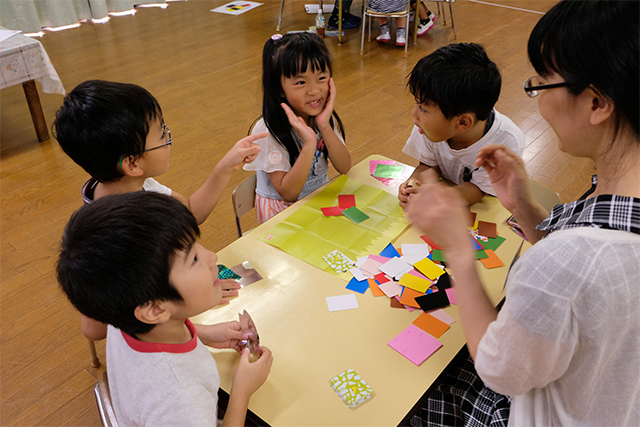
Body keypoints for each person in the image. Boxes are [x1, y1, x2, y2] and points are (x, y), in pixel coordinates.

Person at [406, 1, 639, 425]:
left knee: (408, 389)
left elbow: (498, 370)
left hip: (534, 408)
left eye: (542, 82)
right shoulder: (610, 199)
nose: (536, 97)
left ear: (597, 102)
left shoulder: (571, 260)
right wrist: (523, 207)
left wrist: (458, 249)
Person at [54, 80, 264, 340]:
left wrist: (224, 168)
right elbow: (94, 327)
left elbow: (189, 213)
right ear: (132, 163)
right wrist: (192, 298)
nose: (167, 137)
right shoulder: (113, 236)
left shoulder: (137, 185)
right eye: (162, 134)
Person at [57, 192, 274, 426]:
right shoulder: (182, 398)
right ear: (155, 310)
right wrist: (242, 390)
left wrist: (205, 334)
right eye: (193, 259)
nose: (212, 257)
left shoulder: (124, 313)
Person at [398, 43, 525, 207]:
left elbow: (478, 189)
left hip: (485, 206)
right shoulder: (428, 127)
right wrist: (415, 187)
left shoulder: (506, 142)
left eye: (422, 108)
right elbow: (429, 165)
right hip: (450, 191)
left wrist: (439, 199)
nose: (414, 113)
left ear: (463, 122)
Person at [244, 33, 351, 223]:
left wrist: (325, 126)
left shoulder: (321, 118)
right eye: (301, 82)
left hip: (316, 201)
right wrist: (310, 143)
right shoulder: (268, 131)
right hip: (281, 214)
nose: (314, 90)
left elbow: (344, 167)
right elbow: (289, 193)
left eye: (322, 77)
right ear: (279, 89)